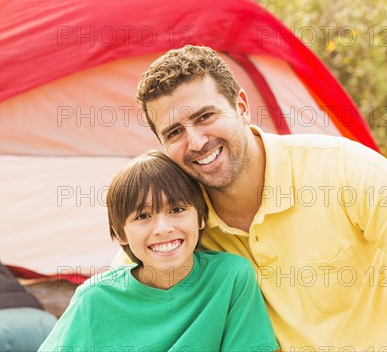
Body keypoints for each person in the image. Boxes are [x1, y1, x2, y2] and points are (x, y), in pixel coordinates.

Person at [132, 45, 387, 351]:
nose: (197, 141)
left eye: (205, 117)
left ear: (241, 108)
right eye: (174, 132)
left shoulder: (341, 167)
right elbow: (123, 294)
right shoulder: (174, 220)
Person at [39, 151, 279, 352]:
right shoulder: (93, 300)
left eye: (176, 209)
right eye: (143, 216)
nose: (163, 229)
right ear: (121, 233)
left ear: (200, 217)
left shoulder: (231, 278)